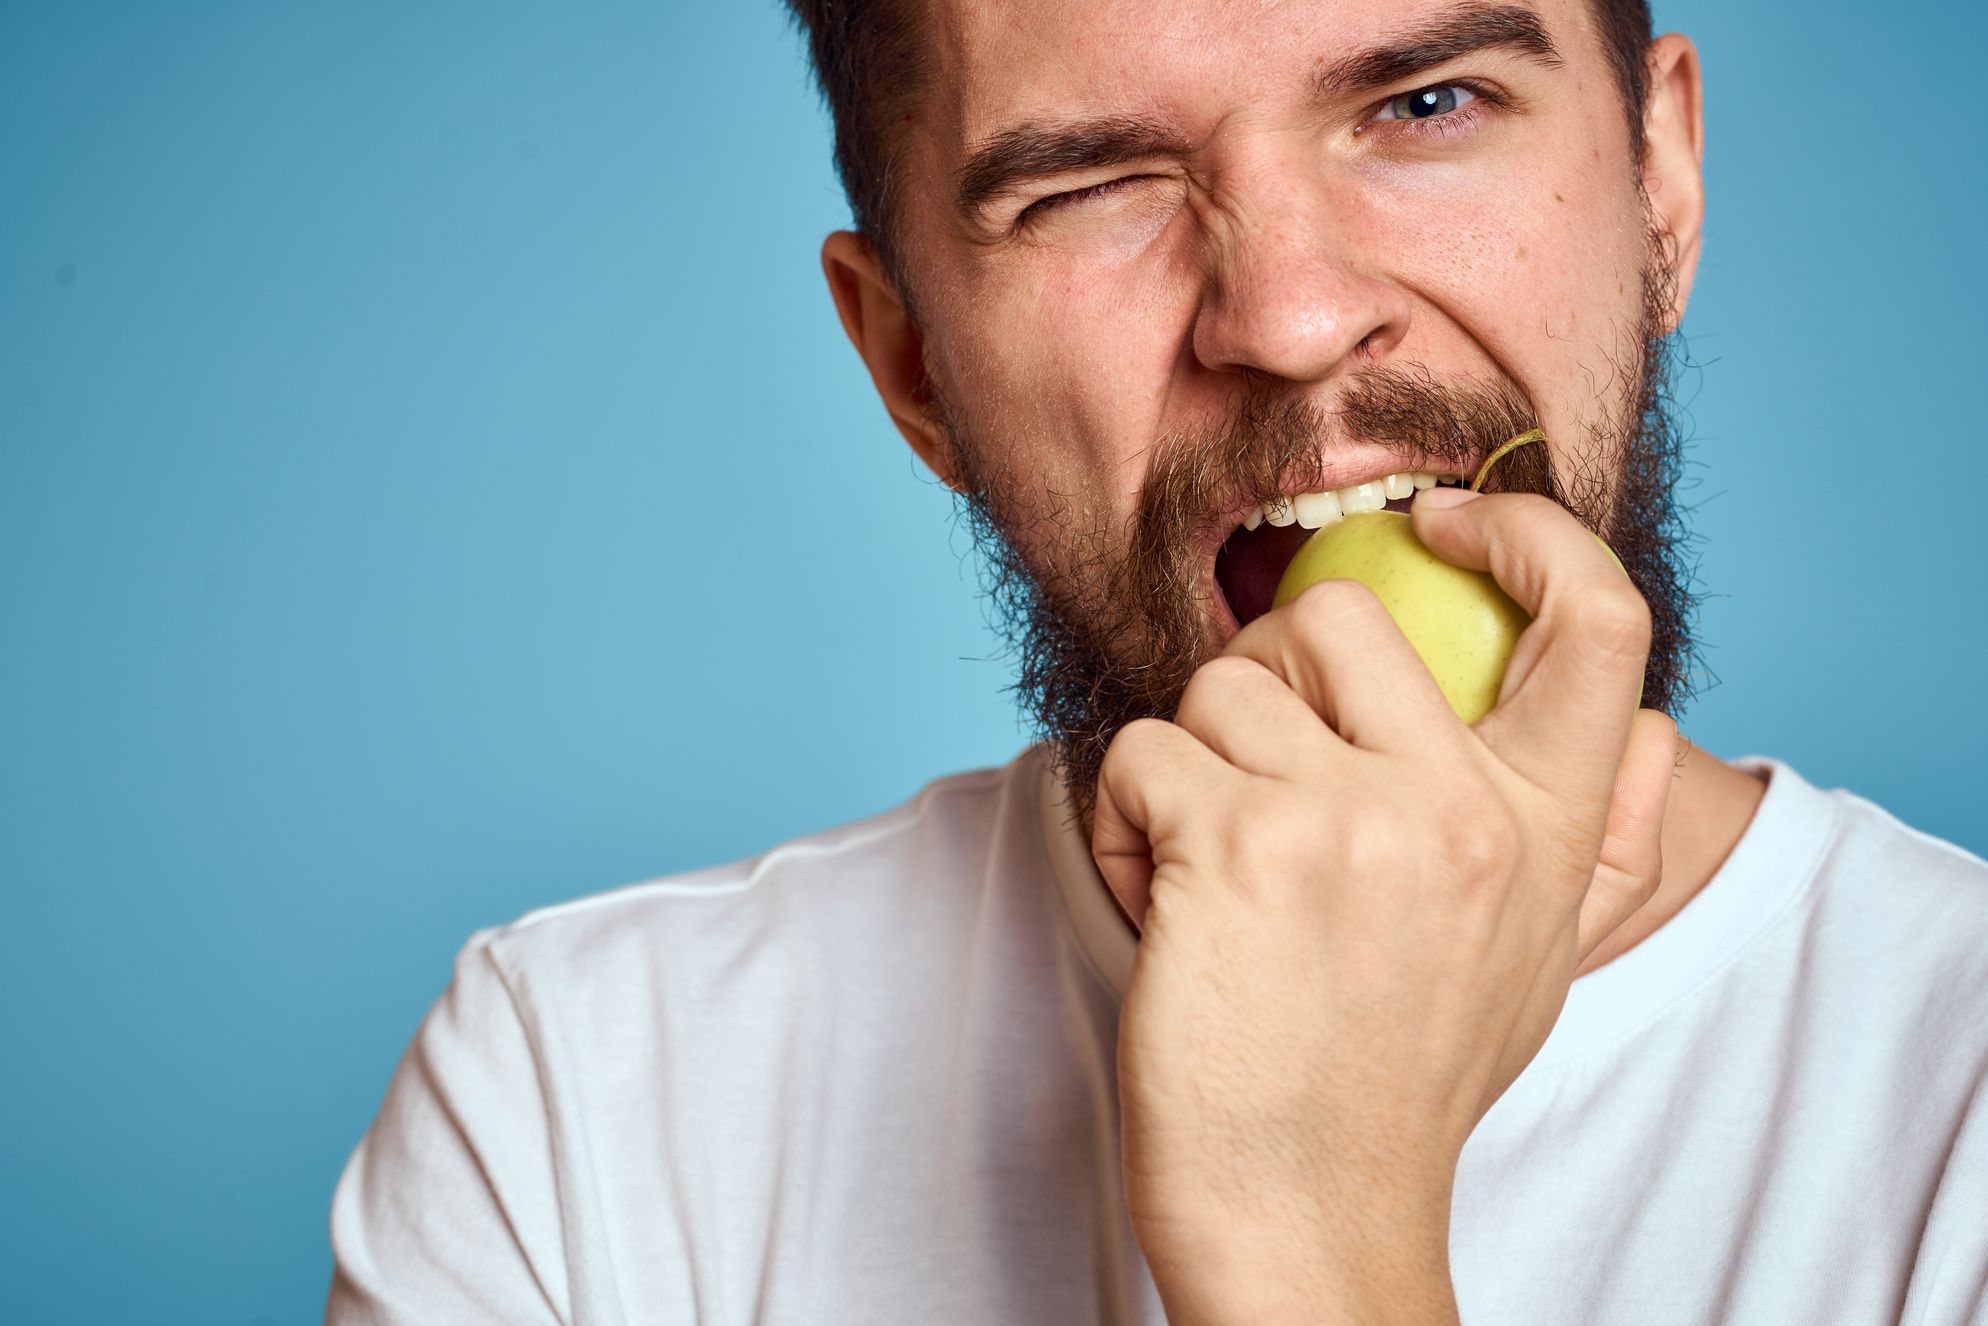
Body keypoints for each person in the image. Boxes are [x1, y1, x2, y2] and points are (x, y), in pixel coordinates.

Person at [325, 1, 1988, 1321]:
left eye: (1426, 106)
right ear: (911, 368)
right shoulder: (576, 1114)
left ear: (1662, 186)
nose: (1282, 312)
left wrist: (1309, 1244)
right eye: (1094, 188)